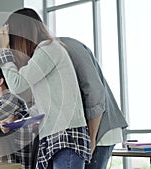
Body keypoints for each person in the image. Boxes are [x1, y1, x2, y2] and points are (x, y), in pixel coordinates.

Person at [0, 8, 91, 169]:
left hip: (65, 139)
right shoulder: (44, 53)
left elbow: (17, 85)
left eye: (12, 42)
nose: (13, 48)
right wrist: (17, 119)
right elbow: (43, 108)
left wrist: (4, 50)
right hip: (55, 138)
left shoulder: (49, 49)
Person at [59, 37, 128, 169]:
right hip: (83, 135)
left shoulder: (67, 46)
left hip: (99, 131)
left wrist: (91, 138)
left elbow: (95, 93)